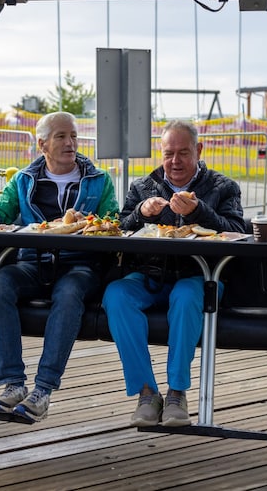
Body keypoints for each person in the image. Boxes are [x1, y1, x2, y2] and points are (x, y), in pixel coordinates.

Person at [0, 111, 119, 422]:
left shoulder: (99, 180)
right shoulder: (22, 181)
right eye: (61, 137)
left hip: (80, 265)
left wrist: (92, 223)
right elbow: (1, 217)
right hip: (32, 262)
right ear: (42, 144)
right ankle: (13, 383)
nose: (71, 143)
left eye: (74, 136)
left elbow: (115, 223)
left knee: (68, 293)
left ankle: (43, 389)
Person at [102, 120, 245, 427]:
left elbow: (237, 231)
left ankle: (177, 392)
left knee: (186, 295)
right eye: (169, 153)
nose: (175, 161)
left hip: (201, 277)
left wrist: (197, 212)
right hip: (149, 275)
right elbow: (117, 228)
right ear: (161, 152)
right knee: (116, 295)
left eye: (183, 152)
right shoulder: (142, 186)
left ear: (199, 151)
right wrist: (140, 212)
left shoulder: (224, 187)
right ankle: (146, 393)